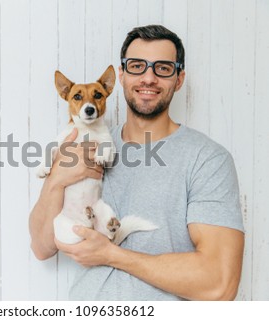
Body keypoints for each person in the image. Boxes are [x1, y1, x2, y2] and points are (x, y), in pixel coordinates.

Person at [28, 24, 244, 300]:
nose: (149, 78)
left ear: (179, 79)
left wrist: (111, 255)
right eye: (137, 66)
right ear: (121, 76)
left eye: (163, 68)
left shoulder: (207, 160)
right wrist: (56, 179)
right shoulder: (82, 144)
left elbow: (220, 284)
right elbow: (41, 247)